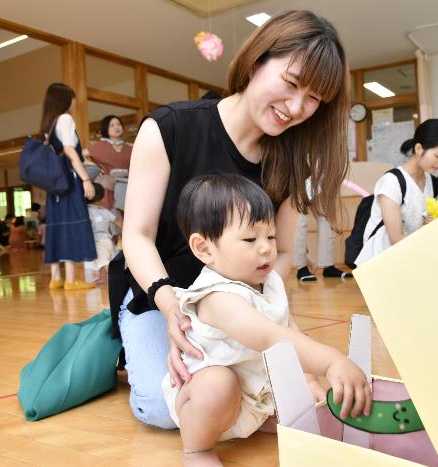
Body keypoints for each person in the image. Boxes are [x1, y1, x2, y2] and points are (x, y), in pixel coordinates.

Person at [109, 9, 350, 430]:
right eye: (291, 84)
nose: (295, 108)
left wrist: (260, 314)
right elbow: (138, 236)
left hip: (235, 305)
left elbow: (285, 252)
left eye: (313, 99)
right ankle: (122, 337)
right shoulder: (170, 128)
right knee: (167, 408)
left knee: (263, 392)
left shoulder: (289, 163)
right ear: (258, 61)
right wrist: (172, 311)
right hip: (158, 293)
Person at [162, 174, 369, 466]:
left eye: (270, 236)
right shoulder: (216, 297)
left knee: (302, 394)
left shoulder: (269, 282)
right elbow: (270, 336)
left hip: (255, 394)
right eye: (250, 239)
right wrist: (333, 361)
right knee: (218, 384)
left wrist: (311, 381)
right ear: (204, 248)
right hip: (209, 401)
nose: (266, 248)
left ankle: (259, 420)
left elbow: (290, 330)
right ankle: (197, 449)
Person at [354, 119, 438, 266]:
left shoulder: (432, 182)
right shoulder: (392, 182)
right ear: (419, 149)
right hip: (383, 261)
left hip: (411, 254)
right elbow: (396, 239)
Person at [39, 83, 97, 290]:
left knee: (57, 226)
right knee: (73, 223)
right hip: (69, 181)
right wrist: (85, 179)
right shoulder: (65, 119)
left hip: (54, 185)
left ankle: (56, 278)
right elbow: (70, 151)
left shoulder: (49, 124)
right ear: (65, 99)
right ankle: (71, 280)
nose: (75, 102)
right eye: (72, 98)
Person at [87, 115, 133, 210]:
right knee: (110, 217)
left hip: (127, 185)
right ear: (106, 129)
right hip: (107, 188)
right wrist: (95, 167)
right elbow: (80, 155)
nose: (116, 127)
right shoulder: (99, 146)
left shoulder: (130, 147)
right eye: (112, 125)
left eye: (118, 124)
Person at [86, 183, 121, 282]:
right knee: (103, 260)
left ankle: (116, 280)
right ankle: (102, 279)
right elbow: (118, 222)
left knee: (104, 262)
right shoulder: (104, 211)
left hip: (98, 241)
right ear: (102, 198)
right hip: (107, 240)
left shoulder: (86, 211)